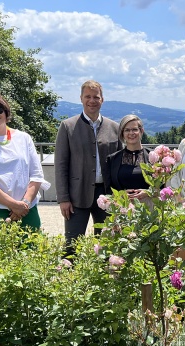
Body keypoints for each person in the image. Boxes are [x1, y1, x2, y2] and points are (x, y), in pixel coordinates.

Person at [0, 90, 50, 236]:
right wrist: (13, 205)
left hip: (27, 209)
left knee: (33, 255)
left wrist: (23, 204)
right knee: (0, 256)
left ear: (5, 111)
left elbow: (36, 176)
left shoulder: (24, 138)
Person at [54, 80, 122, 252]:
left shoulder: (114, 128)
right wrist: (63, 198)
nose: (92, 100)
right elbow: (61, 165)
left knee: (107, 246)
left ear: (102, 100)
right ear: (81, 98)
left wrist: (120, 198)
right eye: (88, 97)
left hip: (107, 196)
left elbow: (120, 166)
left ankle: (103, 278)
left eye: (96, 97)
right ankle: (70, 278)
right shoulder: (68, 127)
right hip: (77, 195)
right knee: (72, 246)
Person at [105, 115, 151, 202]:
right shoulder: (112, 159)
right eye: (127, 130)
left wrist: (148, 192)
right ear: (122, 133)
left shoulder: (153, 157)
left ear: (141, 131)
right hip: (122, 208)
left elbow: (163, 187)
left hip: (149, 208)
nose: (131, 133)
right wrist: (120, 195)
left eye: (134, 129)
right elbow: (108, 189)